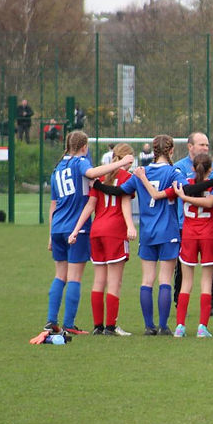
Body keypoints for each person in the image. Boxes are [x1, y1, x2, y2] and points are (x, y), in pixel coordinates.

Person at [43, 131, 133, 335]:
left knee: (60, 276)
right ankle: (68, 324)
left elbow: (53, 205)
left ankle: (50, 321)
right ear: (84, 146)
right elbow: (93, 174)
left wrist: (50, 234)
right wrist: (120, 163)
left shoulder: (57, 168)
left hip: (57, 227)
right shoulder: (80, 162)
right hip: (77, 227)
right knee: (74, 277)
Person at [113, 135, 185, 335]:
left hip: (147, 233)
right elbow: (183, 190)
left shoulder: (139, 173)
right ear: (171, 151)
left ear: (154, 151)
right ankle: (163, 326)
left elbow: (120, 192)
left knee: (147, 280)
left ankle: (148, 326)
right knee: (165, 280)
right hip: (168, 231)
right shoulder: (173, 172)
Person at [67, 143, 137, 336]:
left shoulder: (99, 176)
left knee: (99, 280)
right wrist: (131, 226)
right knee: (115, 282)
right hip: (115, 232)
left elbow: (90, 206)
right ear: (127, 158)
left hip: (96, 231)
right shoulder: (127, 177)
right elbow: (124, 203)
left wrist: (75, 230)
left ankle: (98, 326)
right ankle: (111, 327)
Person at [168, 153, 213, 338]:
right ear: (211, 169)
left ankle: (180, 326)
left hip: (189, 235)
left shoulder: (185, 185)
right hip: (208, 235)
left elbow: (183, 191)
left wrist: (183, 197)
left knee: (186, 282)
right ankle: (202, 327)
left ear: (192, 168)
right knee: (206, 283)